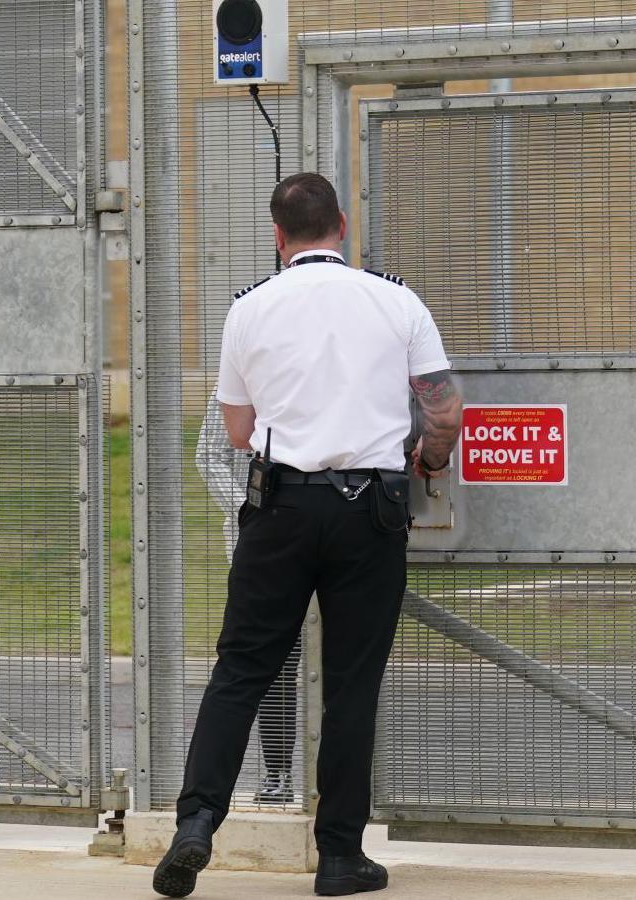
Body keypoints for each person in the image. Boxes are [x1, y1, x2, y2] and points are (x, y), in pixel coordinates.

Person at [154, 172, 462, 898]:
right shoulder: (396, 300)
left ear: (277, 235)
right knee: (352, 684)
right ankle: (339, 857)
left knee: (242, 670)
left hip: (281, 510)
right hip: (371, 512)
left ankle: (196, 824)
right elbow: (443, 410)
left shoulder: (249, 311)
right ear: (343, 226)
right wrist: (430, 458)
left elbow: (236, 429)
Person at [194, 390, 299, 806]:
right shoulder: (243, 368)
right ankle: (278, 773)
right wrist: (250, 515)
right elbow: (209, 456)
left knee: (340, 666)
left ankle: (336, 787)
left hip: (333, 535)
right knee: (275, 664)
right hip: (258, 547)